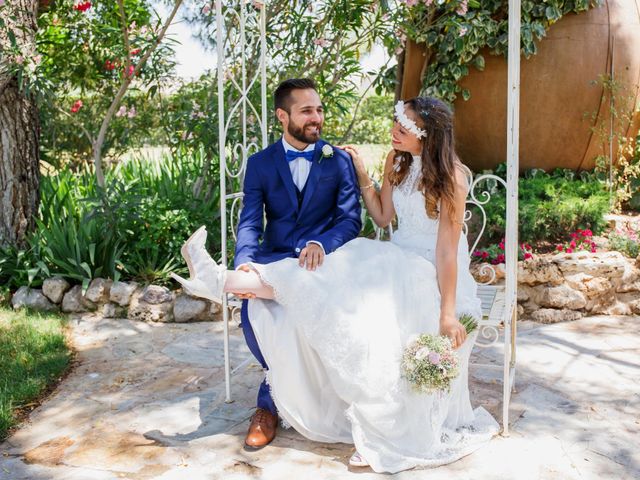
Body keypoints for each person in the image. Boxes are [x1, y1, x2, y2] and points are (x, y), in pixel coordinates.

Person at [171, 96, 499, 473]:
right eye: (396, 122)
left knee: (356, 292)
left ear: (427, 135)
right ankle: (220, 280)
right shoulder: (397, 162)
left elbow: (446, 250)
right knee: (328, 272)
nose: (393, 130)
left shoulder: (452, 177)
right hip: (395, 257)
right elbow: (381, 216)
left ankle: (383, 431)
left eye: (403, 127)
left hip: (431, 271)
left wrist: (447, 313)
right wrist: (363, 174)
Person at [218, 78, 362, 448]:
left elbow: (349, 219)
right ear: (283, 116)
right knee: (255, 313)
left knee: (307, 316)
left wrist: (321, 243)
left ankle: (270, 405)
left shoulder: (338, 159)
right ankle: (273, 398)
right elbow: (250, 222)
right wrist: (245, 263)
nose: (317, 118)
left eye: (319, 109)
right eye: (307, 111)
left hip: (321, 264)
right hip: (275, 259)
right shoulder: (260, 164)